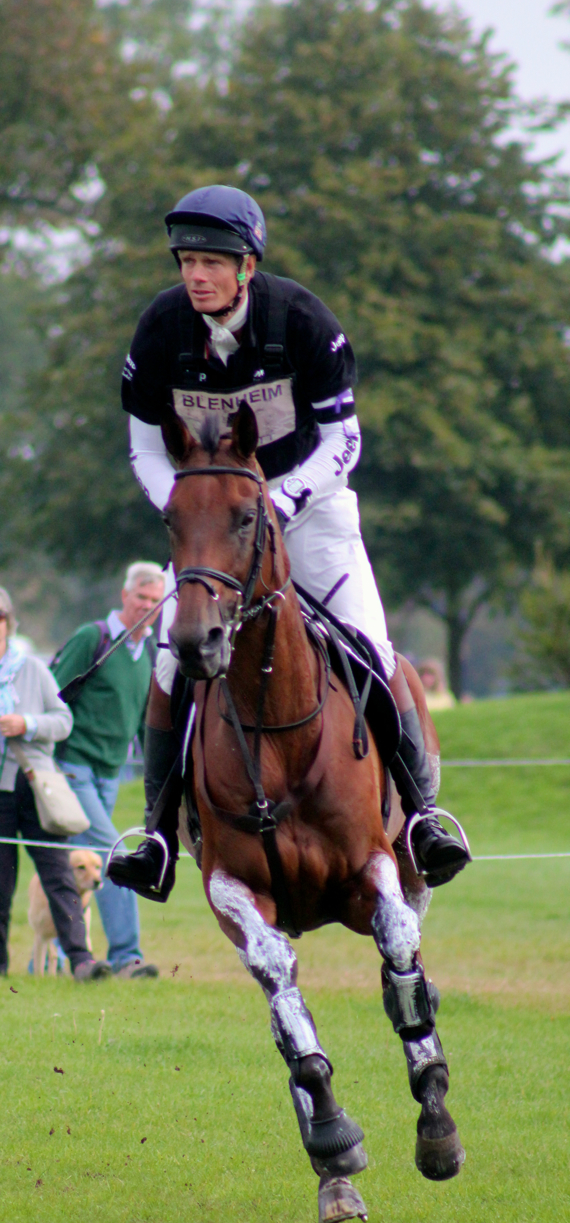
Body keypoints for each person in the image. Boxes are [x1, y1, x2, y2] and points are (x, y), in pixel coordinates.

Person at [116, 184, 470, 895]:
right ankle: (157, 833)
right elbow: (144, 449)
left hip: (309, 515)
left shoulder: (302, 320)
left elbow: (344, 439)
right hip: (215, 529)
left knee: (371, 646)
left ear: (247, 265)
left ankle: (423, 819)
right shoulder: (161, 329)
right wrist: (198, 509)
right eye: (187, 260)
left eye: (212, 262)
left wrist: (272, 506)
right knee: (168, 661)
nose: (196, 275)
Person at [52, 562, 164, 977]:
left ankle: (72, 958)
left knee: (85, 863)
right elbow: (56, 695)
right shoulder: (93, 637)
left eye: (155, 601)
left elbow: (142, 721)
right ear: (125, 595)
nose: (147, 607)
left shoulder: (150, 652)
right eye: (141, 598)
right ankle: (126, 957)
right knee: (113, 853)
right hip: (73, 769)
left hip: (111, 774)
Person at [0, 586, 110, 980]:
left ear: (8, 624)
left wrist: (25, 724)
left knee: (60, 876)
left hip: (37, 788)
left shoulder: (31, 670)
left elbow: (63, 722)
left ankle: (81, 961)